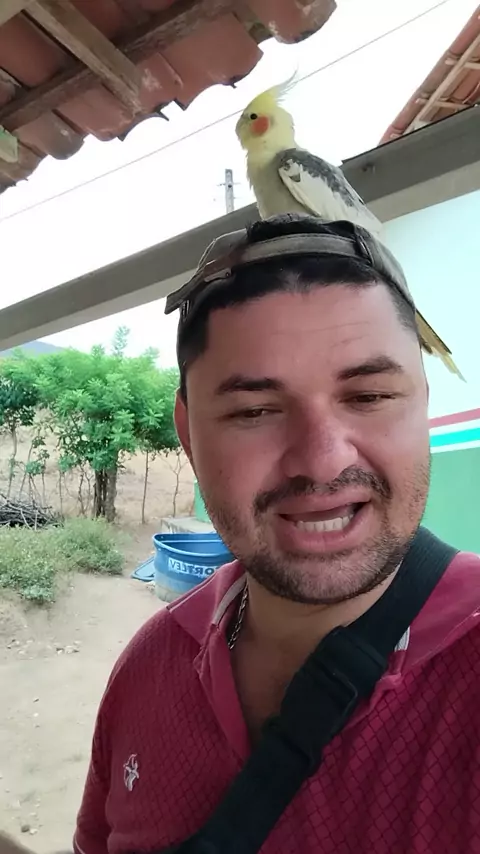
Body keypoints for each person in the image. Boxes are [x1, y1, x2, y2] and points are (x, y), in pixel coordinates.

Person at [3, 215, 478, 854]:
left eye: (368, 397)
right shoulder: (150, 666)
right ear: (189, 433)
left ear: (422, 402)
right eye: (254, 410)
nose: (322, 461)